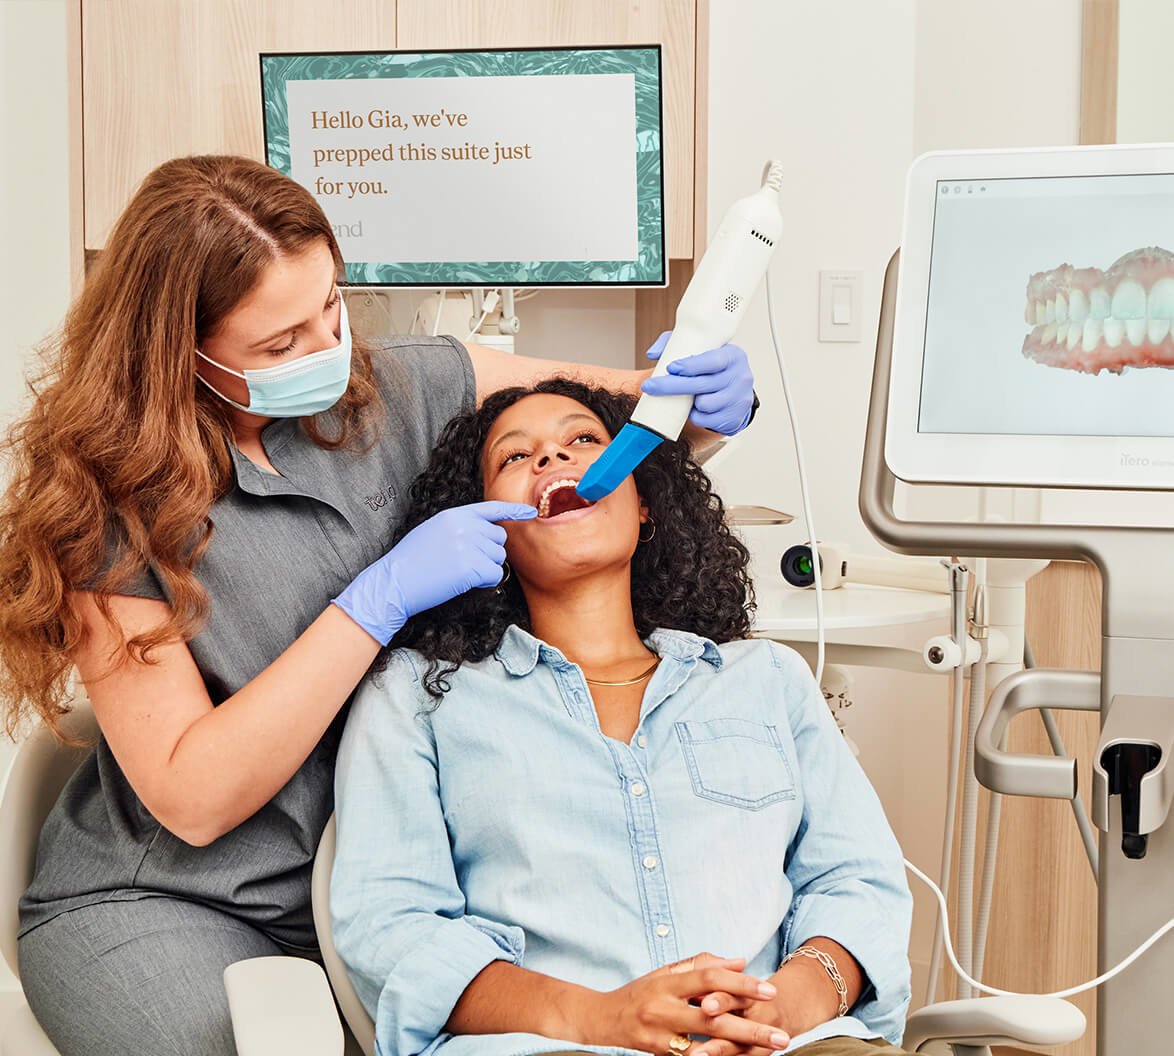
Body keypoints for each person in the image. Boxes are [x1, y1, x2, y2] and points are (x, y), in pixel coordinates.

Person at [0, 155, 758, 1056]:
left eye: (330, 307)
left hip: (405, 890)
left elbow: (606, 437)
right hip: (188, 901)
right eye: (279, 346)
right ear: (180, 349)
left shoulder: (406, 384)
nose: (326, 352)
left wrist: (702, 408)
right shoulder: (102, 506)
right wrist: (375, 600)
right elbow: (192, 799)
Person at [331, 378, 916, 1056]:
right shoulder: (420, 698)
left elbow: (857, 881)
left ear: (645, 505)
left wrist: (781, 1009)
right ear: (483, 530)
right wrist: (600, 1018)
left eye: (583, 440)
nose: (552, 458)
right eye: (516, 458)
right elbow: (392, 927)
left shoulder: (767, 681)